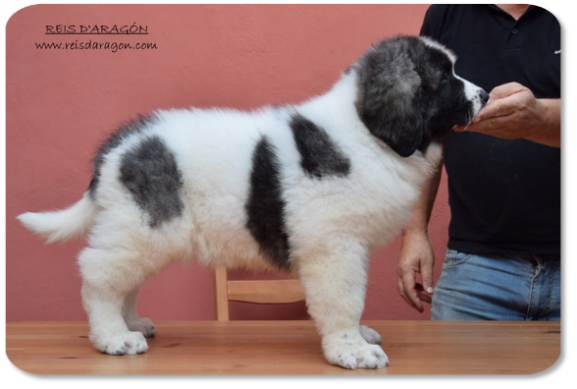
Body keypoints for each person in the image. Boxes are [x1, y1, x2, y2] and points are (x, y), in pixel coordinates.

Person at [397, 4, 561, 320]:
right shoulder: (445, 14)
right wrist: (414, 232)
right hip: (476, 268)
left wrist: (537, 120)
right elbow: (424, 133)